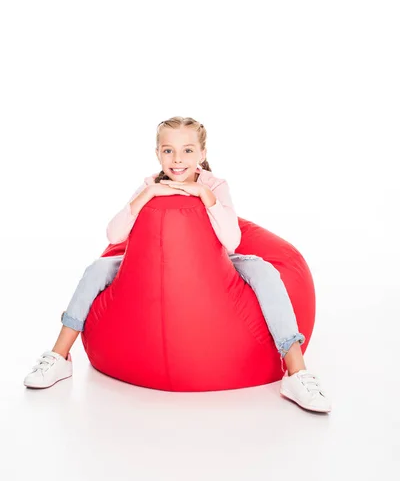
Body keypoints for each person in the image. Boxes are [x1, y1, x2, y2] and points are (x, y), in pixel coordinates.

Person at [23, 116, 331, 413]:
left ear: (202, 153)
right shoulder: (149, 183)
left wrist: (205, 196)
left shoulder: (215, 184)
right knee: (97, 269)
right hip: (145, 262)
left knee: (265, 270)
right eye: (168, 150)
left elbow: (232, 241)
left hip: (218, 262)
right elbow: (115, 234)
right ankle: (59, 356)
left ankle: (295, 372)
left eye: (187, 150)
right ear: (158, 153)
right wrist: (149, 194)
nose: (177, 159)